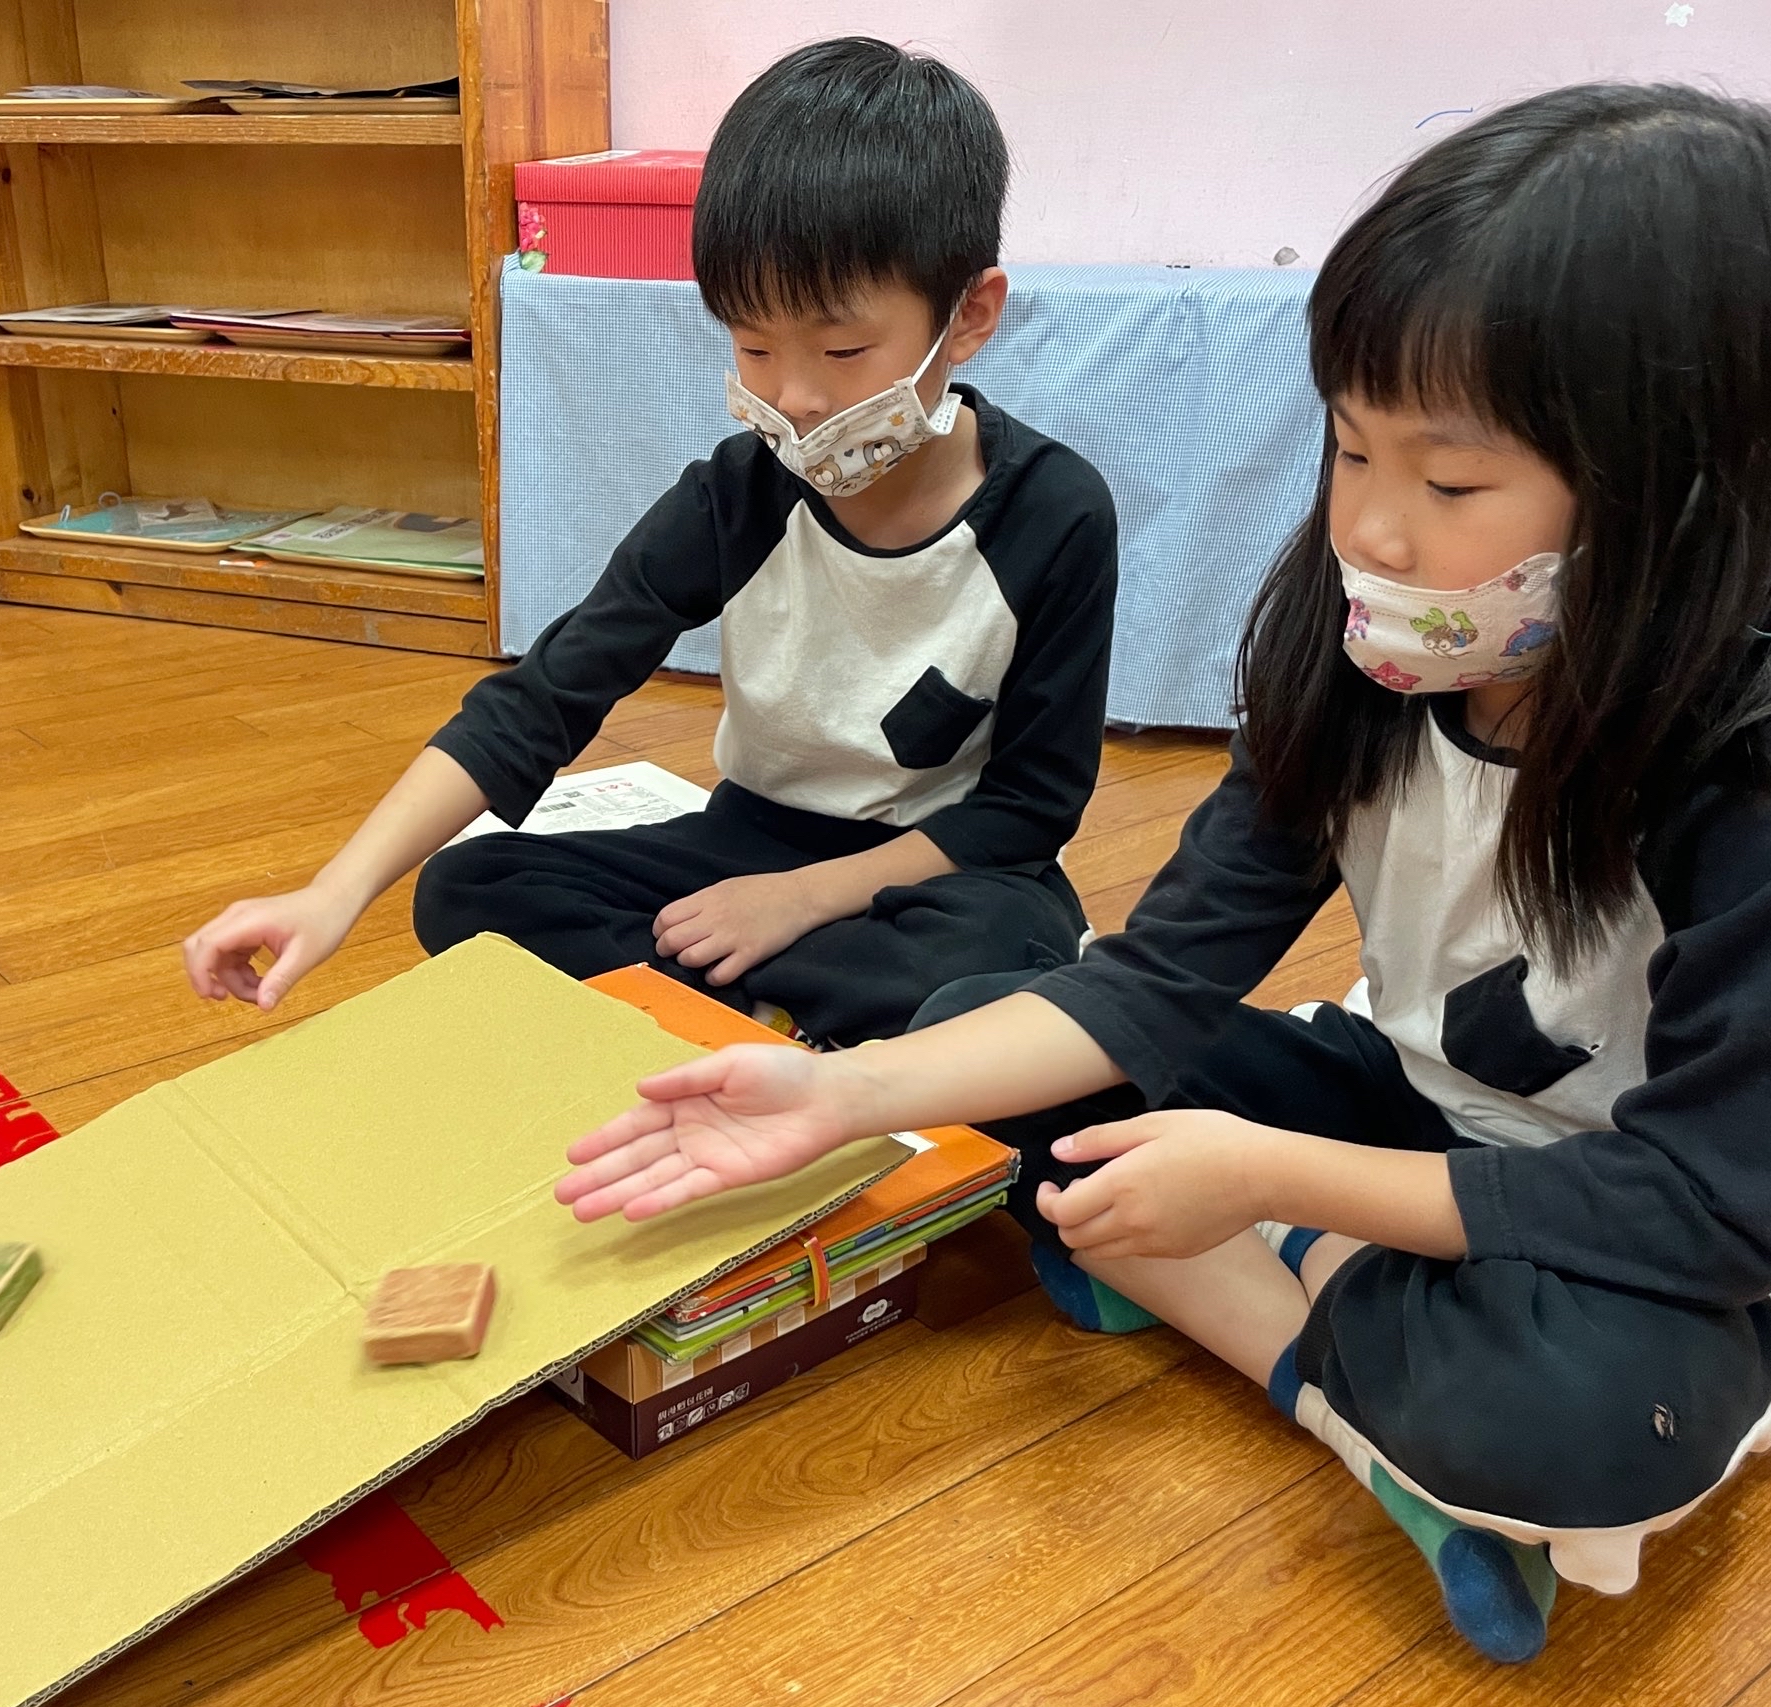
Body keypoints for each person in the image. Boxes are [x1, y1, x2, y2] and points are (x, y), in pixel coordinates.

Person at [554, 84, 1771, 1665]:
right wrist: (842, 1093)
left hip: (1643, 1217)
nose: (1376, 532)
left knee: (1592, 1416)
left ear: (1680, 487)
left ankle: (1264, 1311)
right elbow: (1158, 978)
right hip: (1411, 1101)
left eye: (1451, 485)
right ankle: (1363, 1400)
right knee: (978, 1029)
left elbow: (1708, 1204)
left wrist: (1272, 1184)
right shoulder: (1365, 654)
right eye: (1350, 449)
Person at [182, 37, 1117, 1047]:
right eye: (753, 346)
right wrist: (334, 891)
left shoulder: (1054, 513)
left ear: (969, 315)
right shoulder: (736, 497)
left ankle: (745, 1011)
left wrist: (800, 901)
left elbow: (1026, 811)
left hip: (938, 872)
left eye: (844, 350)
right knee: (469, 887)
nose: (795, 397)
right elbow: (545, 699)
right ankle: (800, 1026)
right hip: (748, 837)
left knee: (986, 955)